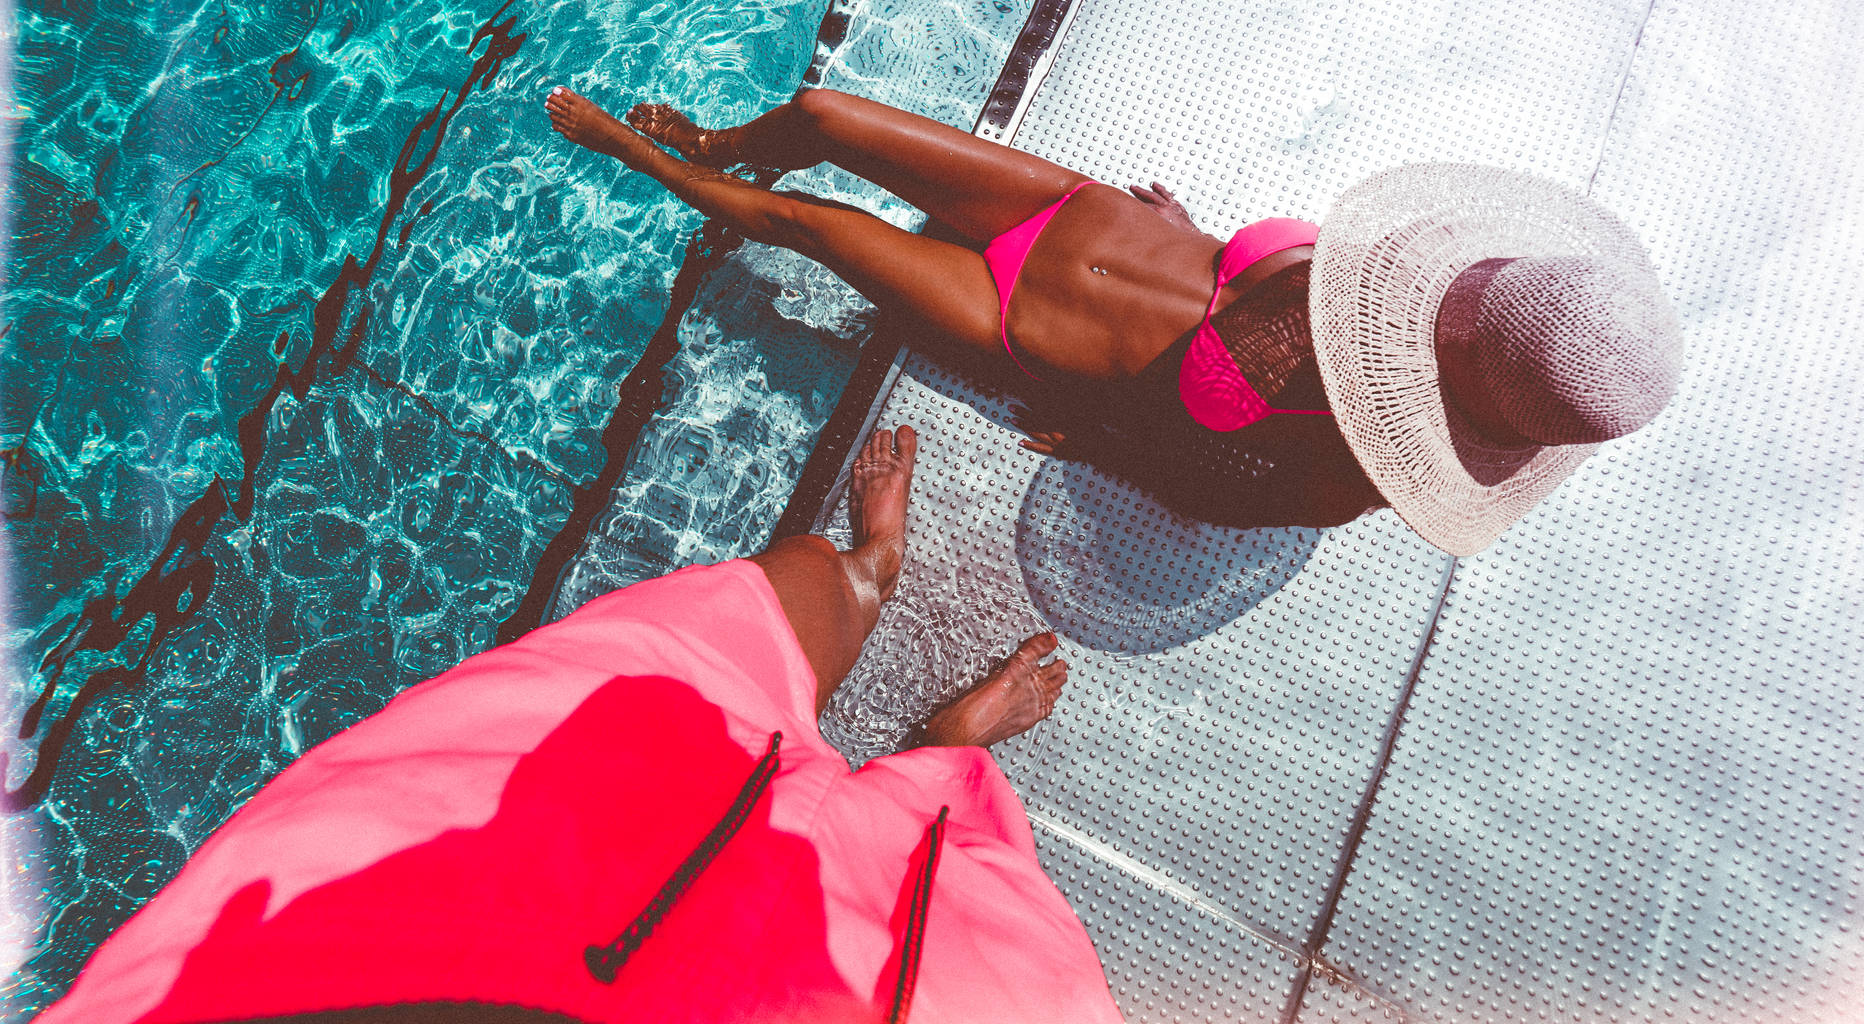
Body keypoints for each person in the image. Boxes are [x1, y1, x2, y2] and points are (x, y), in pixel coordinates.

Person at [40, 428, 1125, 1024]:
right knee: (936, 846)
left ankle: (867, 571)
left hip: (527, 887)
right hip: (876, 980)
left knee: (767, 609)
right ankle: (943, 746)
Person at [546, 87, 1682, 555]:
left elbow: (1219, 493)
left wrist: (1098, 440)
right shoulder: (1408, 282)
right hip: (1062, 208)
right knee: (821, 115)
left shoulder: (1355, 466)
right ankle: (716, 140)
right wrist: (1195, 231)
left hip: (1012, 316)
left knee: (808, 222)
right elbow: (1256, 282)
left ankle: (643, 156)